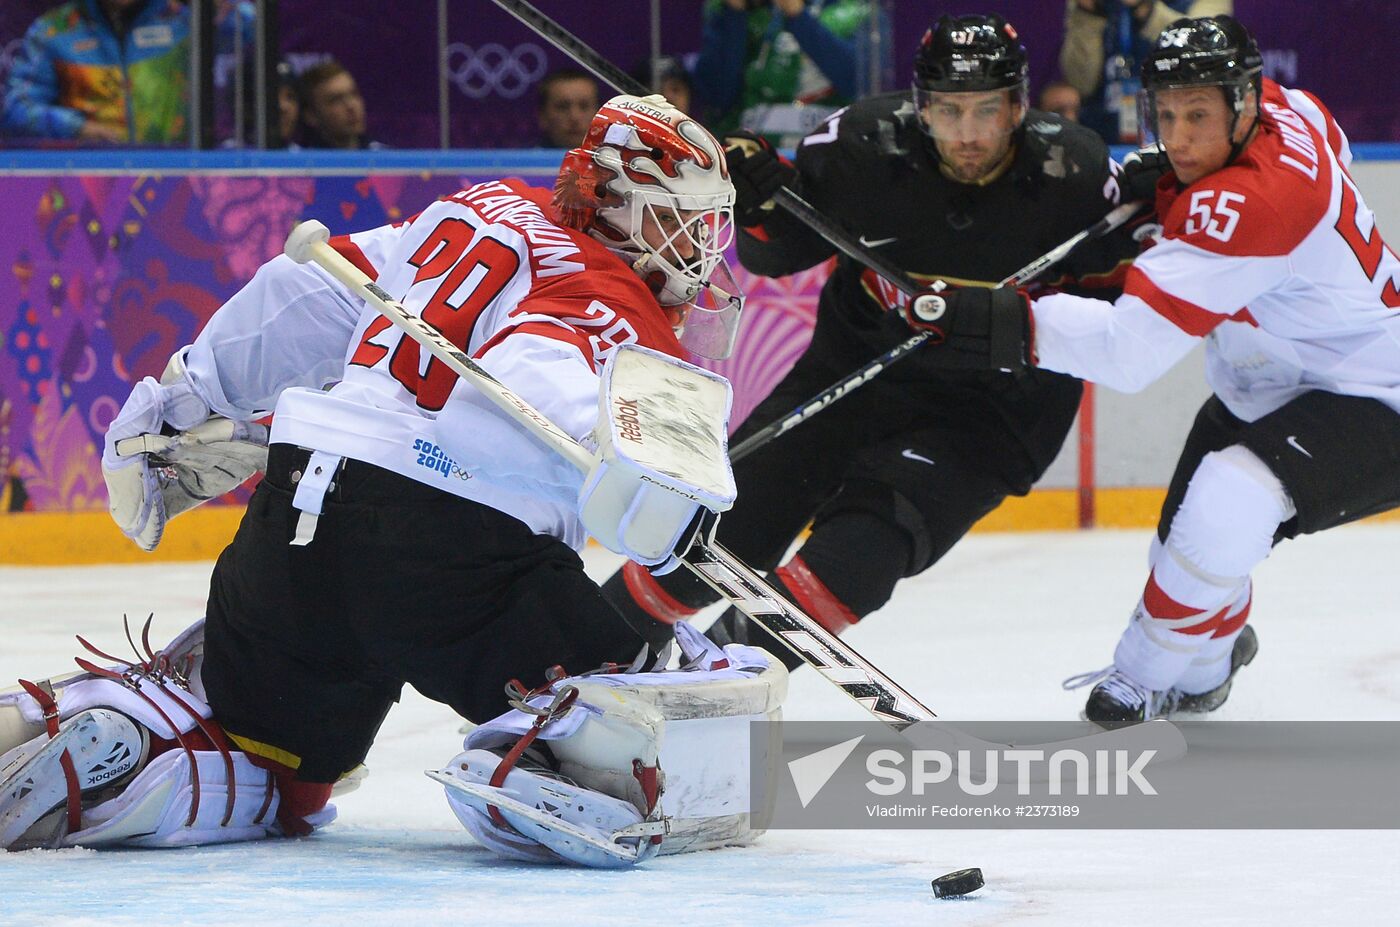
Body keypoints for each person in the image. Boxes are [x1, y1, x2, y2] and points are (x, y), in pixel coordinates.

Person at [0, 95, 785, 865]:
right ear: (615, 200)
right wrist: (663, 481)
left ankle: (112, 737)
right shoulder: (611, 289)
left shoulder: (478, 209)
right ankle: (545, 758)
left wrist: (186, 399)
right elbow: (533, 378)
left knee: (271, 765)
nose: (700, 245)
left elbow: (311, 287)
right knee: (641, 714)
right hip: (458, 560)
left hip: (296, 519)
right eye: (683, 216)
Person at [599, 15, 1139, 671]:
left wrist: (1160, 207)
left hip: (991, 416)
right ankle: (577, 657)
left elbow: (1128, 323)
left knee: (860, 550)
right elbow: (777, 256)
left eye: (987, 111)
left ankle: (710, 691)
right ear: (920, 107)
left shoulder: (1076, 174)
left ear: (1020, 106)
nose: (967, 134)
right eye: (948, 111)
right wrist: (764, 201)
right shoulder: (861, 145)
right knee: (714, 532)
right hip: (851, 377)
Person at [903, 16, 1400, 728]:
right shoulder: (1294, 107)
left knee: (1228, 502)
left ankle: (1134, 682)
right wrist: (1174, 188)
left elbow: (1127, 353)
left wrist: (997, 321)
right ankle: (1207, 663)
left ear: (1244, 103)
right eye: (1166, 114)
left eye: (1199, 115)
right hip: (1269, 375)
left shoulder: (1256, 205)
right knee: (1181, 555)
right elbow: (1331, 152)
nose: (1180, 138)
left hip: (1377, 390)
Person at [1, 0, 254, 144]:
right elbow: (14, 107)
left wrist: (221, 5)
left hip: (179, 177)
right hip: (89, 182)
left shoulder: (185, 17)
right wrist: (76, 128)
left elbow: (254, 29)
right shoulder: (54, 31)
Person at [693, 0, 870, 148]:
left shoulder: (857, 10)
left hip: (825, 155)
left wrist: (798, 16)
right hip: (751, 156)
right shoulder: (740, 11)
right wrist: (735, 13)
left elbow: (859, 82)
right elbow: (715, 97)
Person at [1059, 0, 1231, 143]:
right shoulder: (1097, 5)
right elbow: (1080, 82)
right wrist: (1089, 15)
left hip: (1172, 140)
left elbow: (1201, 56)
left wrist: (1146, 10)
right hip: (1102, 137)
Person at [298, 58, 383, 150]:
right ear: (311, 116)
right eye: (336, 100)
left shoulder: (386, 158)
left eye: (354, 94)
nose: (351, 106)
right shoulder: (299, 163)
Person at [536, 68, 599, 148]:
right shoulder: (524, 159)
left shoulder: (617, 159)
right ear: (543, 116)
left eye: (584, 106)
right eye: (563, 107)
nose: (575, 117)